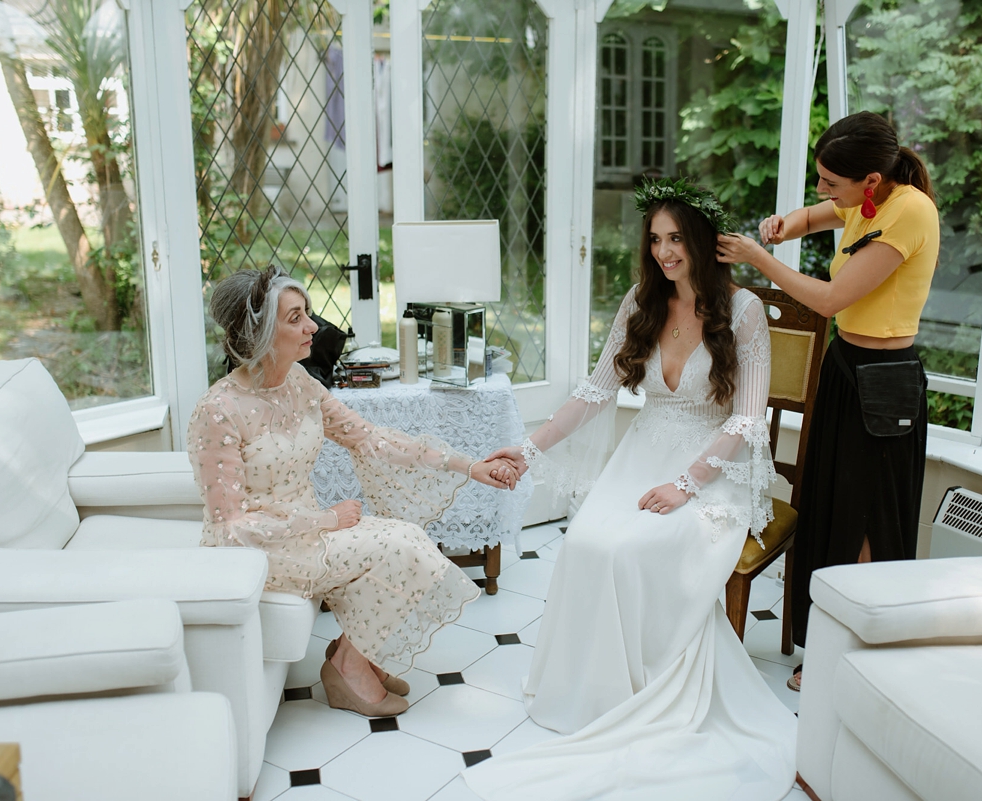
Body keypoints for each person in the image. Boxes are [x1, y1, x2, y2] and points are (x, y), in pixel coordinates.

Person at [464, 178, 797, 801]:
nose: (665, 252)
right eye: (655, 240)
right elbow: (595, 392)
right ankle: (594, 693)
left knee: (631, 550)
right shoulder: (640, 302)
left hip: (711, 469)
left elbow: (748, 419)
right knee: (588, 543)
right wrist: (530, 448)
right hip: (642, 453)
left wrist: (685, 486)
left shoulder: (745, 311)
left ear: (701, 239)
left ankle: (645, 690)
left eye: (676, 239)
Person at [187, 266, 518, 718]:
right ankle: (347, 667)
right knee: (403, 546)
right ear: (262, 332)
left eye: (308, 314)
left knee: (407, 540)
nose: (312, 328)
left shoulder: (300, 384)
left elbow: (371, 439)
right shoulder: (218, 409)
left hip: (304, 536)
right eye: (296, 318)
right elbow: (231, 528)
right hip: (259, 551)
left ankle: (351, 656)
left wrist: (470, 466)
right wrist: (326, 520)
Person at [715, 110, 940, 692]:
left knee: (867, 520)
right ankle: (828, 642)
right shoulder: (865, 199)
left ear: (871, 180)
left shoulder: (909, 211)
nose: (822, 191)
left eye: (830, 182)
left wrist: (759, 259)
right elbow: (813, 216)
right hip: (846, 369)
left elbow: (834, 298)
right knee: (834, 509)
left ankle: (849, 653)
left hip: (885, 383)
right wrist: (782, 226)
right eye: (818, 177)